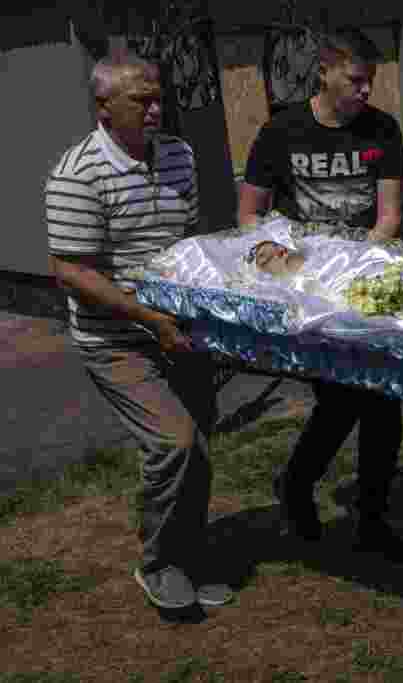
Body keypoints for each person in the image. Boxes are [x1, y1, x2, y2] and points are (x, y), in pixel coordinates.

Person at [45, 50, 233, 610]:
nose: (156, 110)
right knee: (172, 443)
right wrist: (151, 320)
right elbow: (71, 269)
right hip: (117, 339)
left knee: (196, 449)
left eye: (159, 99)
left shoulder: (179, 155)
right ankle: (159, 564)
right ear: (104, 108)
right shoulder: (77, 174)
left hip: (178, 329)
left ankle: (190, 558)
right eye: (142, 101)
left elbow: (188, 240)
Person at [236, 27, 403, 562]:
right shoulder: (281, 132)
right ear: (325, 72)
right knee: (339, 401)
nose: (365, 91)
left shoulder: (382, 129)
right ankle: (297, 487)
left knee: (383, 405)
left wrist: (358, 264)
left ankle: (372, 520)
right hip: (305, 289)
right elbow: (249, 214)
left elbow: (388, 217)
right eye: (356, 80)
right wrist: (274, 256)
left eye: (370, 81)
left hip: (362, 282)